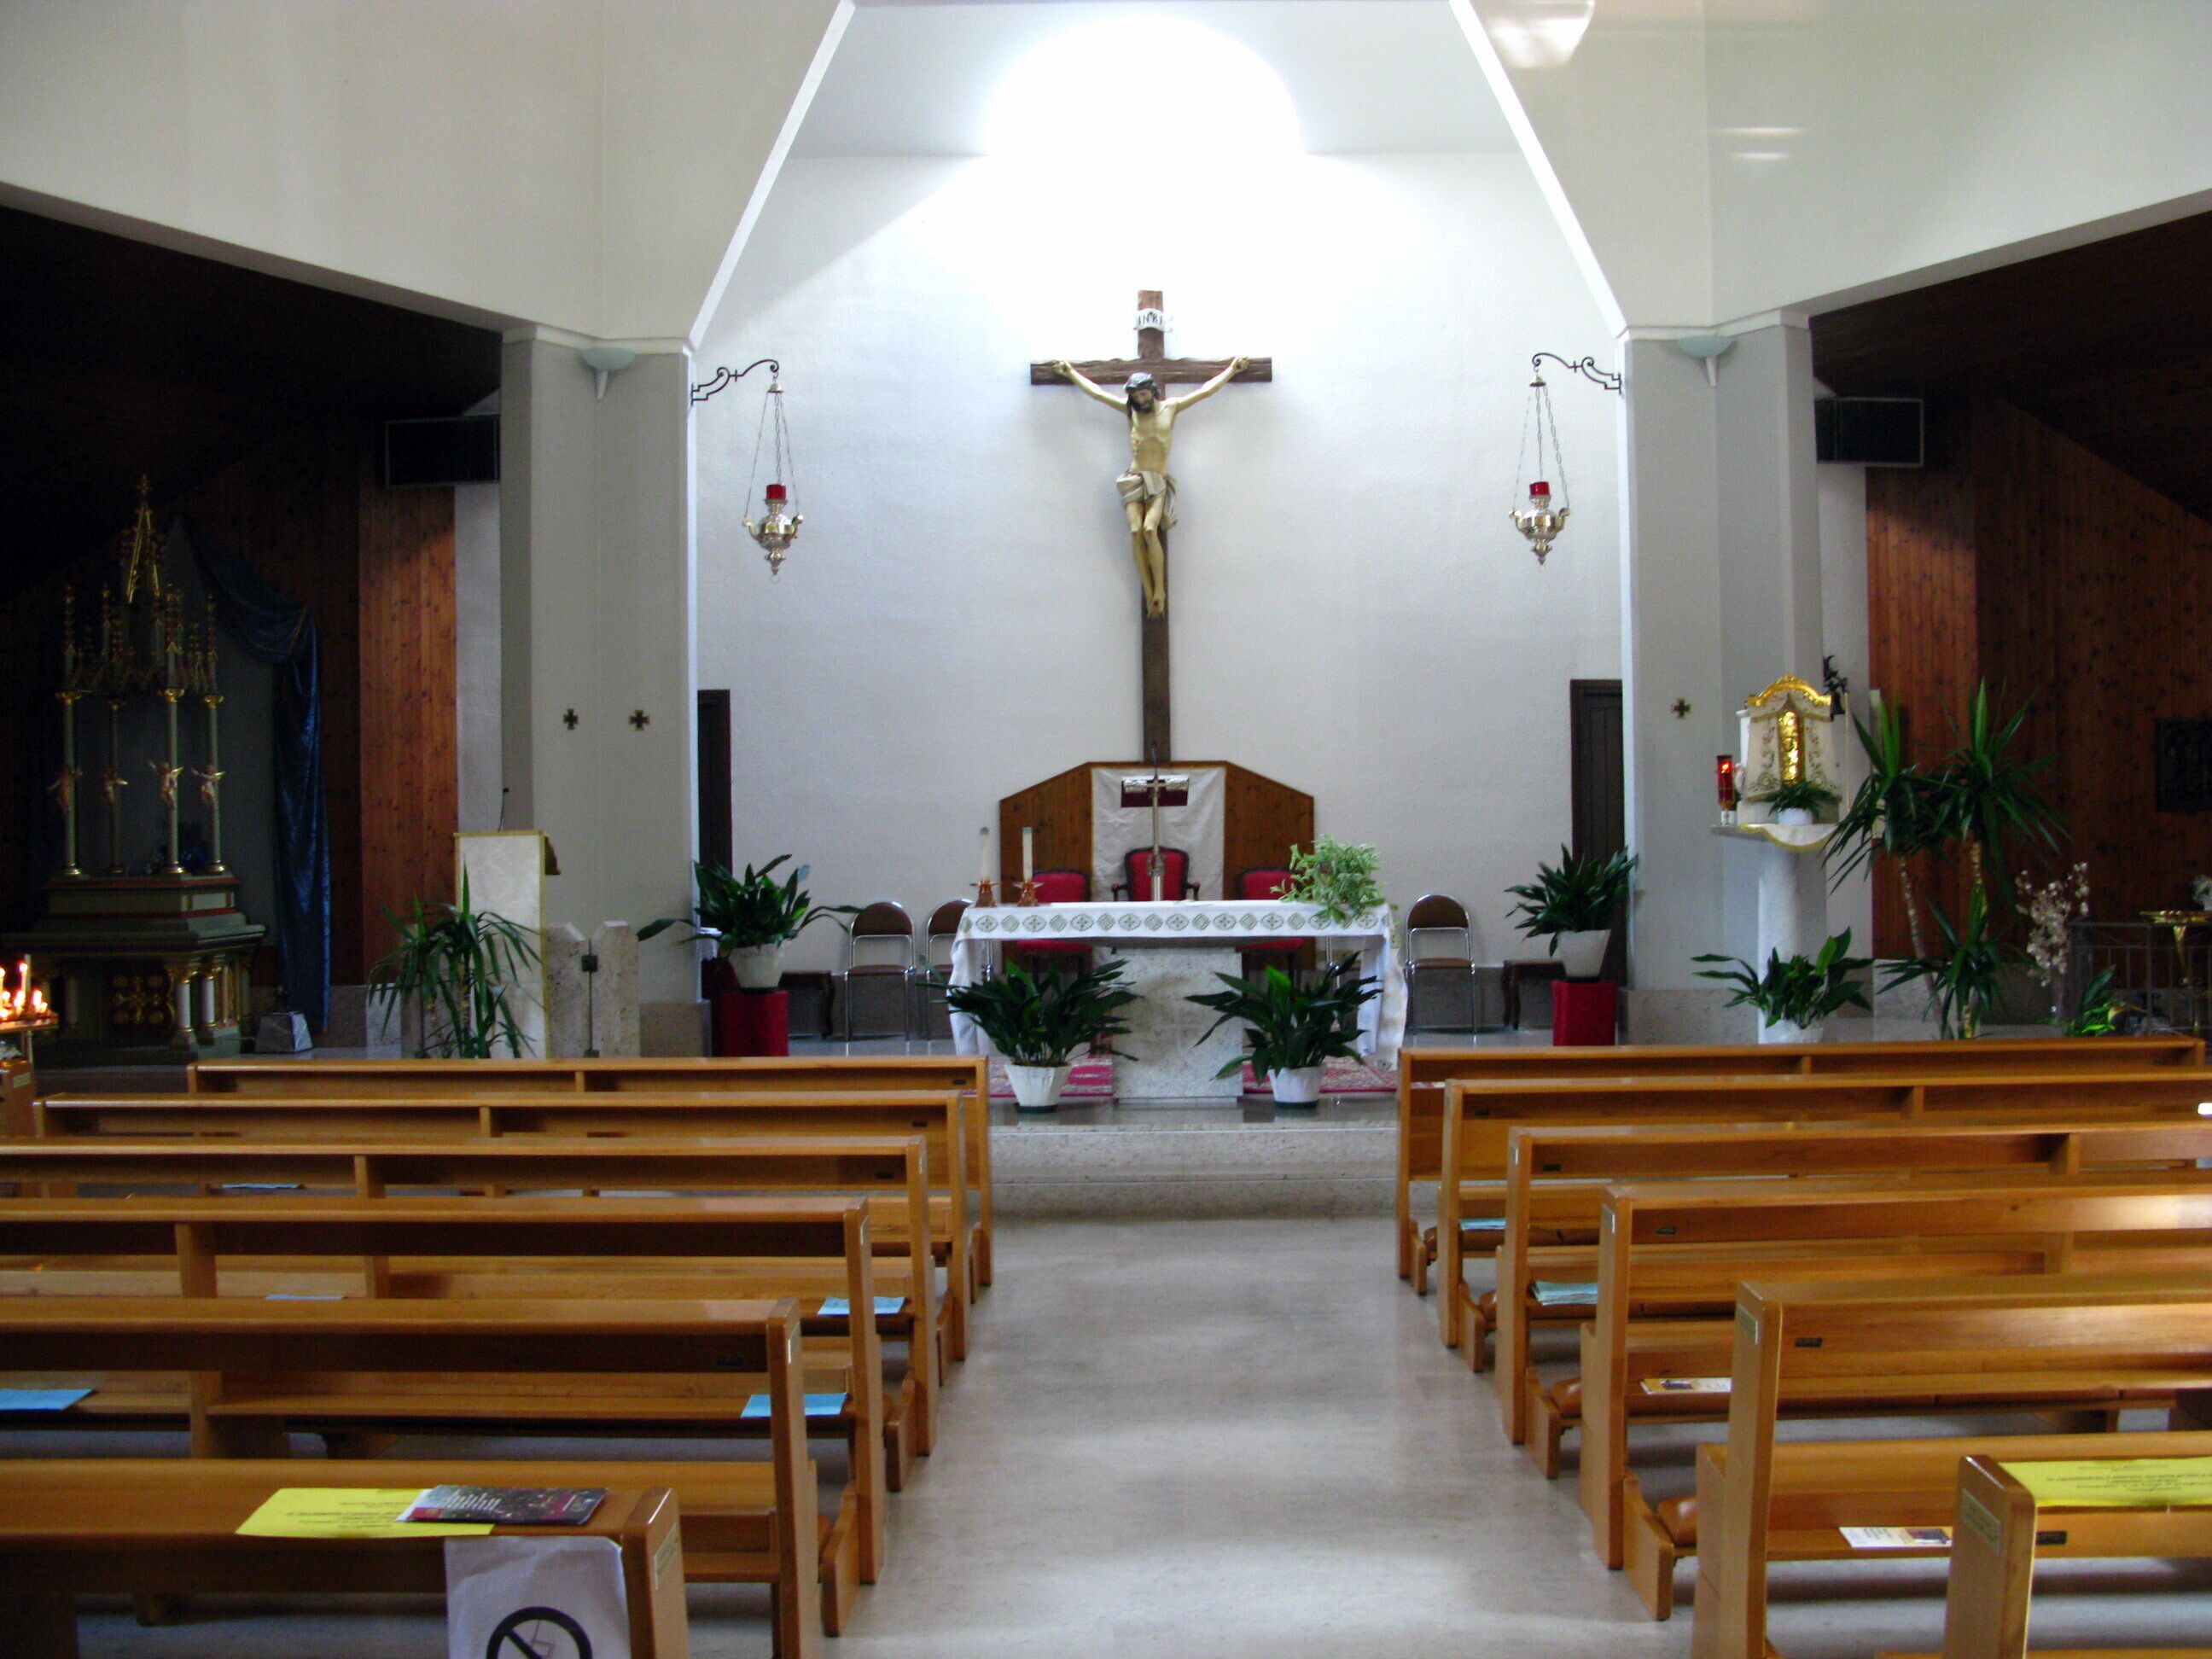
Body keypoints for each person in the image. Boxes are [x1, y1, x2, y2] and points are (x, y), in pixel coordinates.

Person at [1051, 355, 1250, 616]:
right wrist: (1070, 373)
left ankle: (1160, 591)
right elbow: (1097, 393)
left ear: (1153, 391)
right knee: (1135, 531)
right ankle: (1148, 591)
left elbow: (1205, 391)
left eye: (1144, 393)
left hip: (1157, 480)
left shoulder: (1172, 407)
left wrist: (1232, 371)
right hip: (1134, 477)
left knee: (1148, 529)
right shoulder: (1129, 411)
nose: (1140, 399)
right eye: (1136, 396)